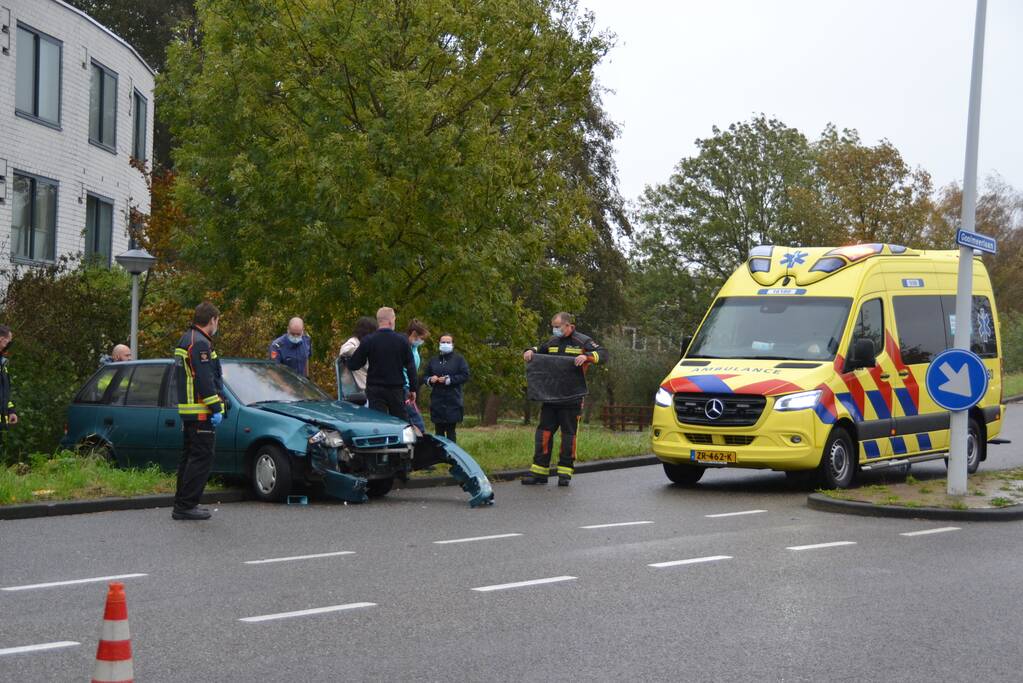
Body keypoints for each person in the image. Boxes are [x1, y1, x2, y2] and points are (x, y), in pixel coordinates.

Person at [521, 312, 607, 487]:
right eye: (553, 326)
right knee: (543, 433)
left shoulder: (582, 341)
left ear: (569, 326)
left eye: (558, 326)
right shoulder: (552, 341)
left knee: (568, 436)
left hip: (572, 398)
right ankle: (539, 472)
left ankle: (565, 473)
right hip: (550, 396)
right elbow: (539, 349)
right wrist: (530, 352)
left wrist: (587, 357)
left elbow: (603, 354)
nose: (555, 330)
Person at [172, 302, 226, 521]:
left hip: (190, 411)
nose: (217, 325)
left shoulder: (187, 338)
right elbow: (205, 379)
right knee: (201, 458)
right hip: (200, 411)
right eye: (217, 321)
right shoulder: (200, 343)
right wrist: (216, 407)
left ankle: (182, 503)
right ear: (212, 319)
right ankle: (186, 506)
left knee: (189, 458)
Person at [346, 307, 417, 421]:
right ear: (391, 320)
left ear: (379, 321)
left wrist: (347, 361)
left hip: (375, 390)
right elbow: (410, 367)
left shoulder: (369, 340)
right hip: (396, 389)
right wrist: (413, 389)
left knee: (379, 422)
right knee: (401, 422)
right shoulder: (402, 341)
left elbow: (354, 364)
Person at [422, 333, 470, 442]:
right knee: (438, 431)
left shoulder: (459, 359)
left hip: (452, 401)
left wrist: (449, 380)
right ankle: (439, 454)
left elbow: (465, 375)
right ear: (439, 343)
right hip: (437, 401)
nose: (445, 344)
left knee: (450, 430)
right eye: (443, 342)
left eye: (448, 342)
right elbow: (424, 376)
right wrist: (430, 380)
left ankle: (451, 454)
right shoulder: (433, 360)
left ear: (452, 344)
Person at [338, 316, 378, 402]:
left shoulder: (368, 344)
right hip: (354, 390)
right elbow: (345, 350)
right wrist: (364, 350)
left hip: (366, 389)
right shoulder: (353, 342)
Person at [404, 319, 430, 434]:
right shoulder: (405, 348)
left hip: (409, 388)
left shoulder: (415, 349)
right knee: (417, 422)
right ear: (414, 334)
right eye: (422, 338)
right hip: (405, 388)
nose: (422, 341)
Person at [0, 326, 17, 431]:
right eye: (8, 342)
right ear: (1, 339)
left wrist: (11, 410)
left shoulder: (2, 363)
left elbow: (4, 391)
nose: (8, 345)